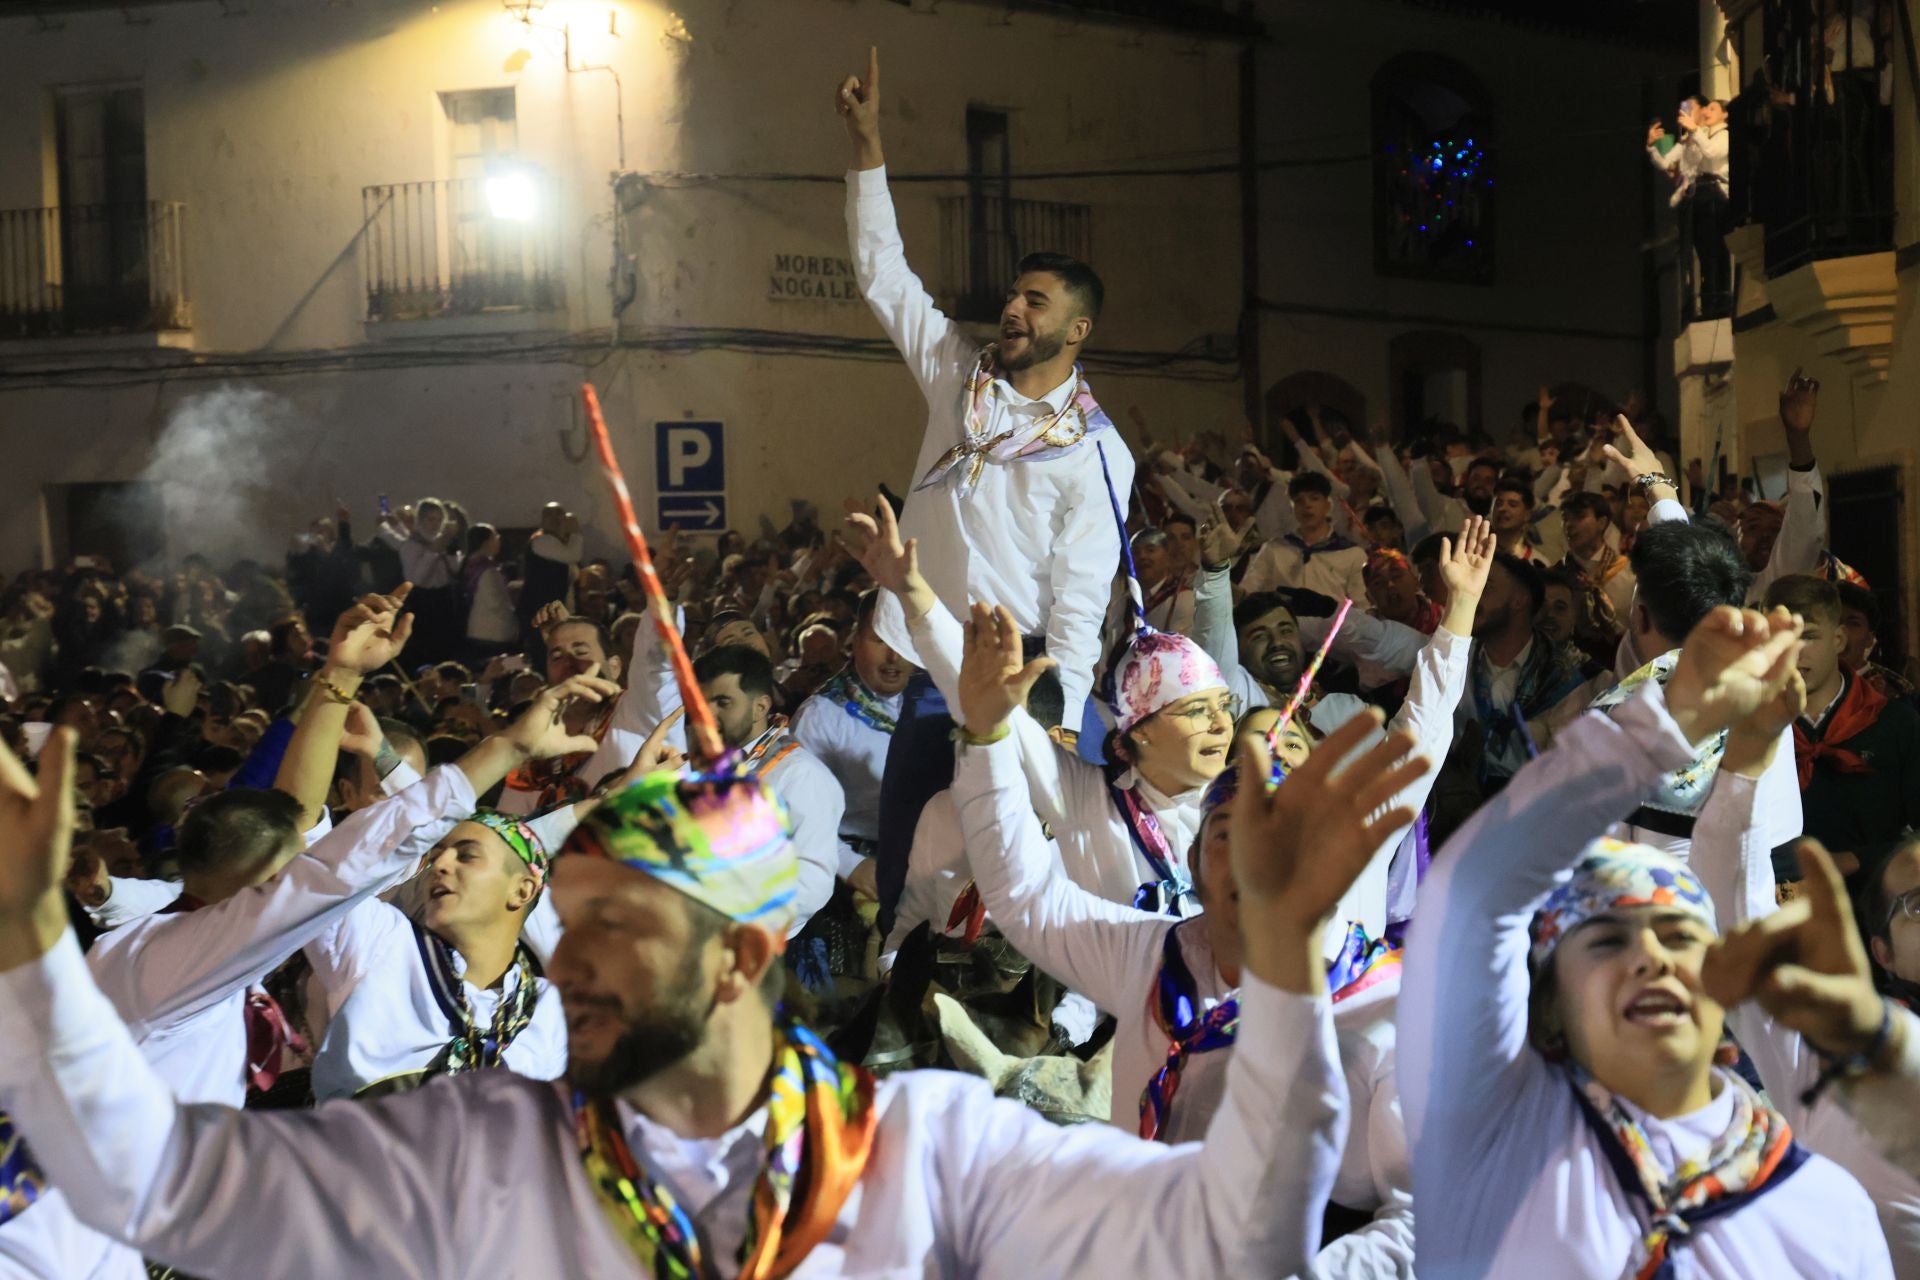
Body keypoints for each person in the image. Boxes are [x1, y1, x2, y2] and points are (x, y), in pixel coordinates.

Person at [0, 729, 1365, 1278]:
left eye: (613, 926)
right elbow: (156, 1182)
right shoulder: (478, 1151)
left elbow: (1235, 1247)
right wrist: (28, 951)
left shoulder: (932, 1149)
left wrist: (1290, 974)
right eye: (567, 922)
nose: (561, 961)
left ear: (741, 959)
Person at [0, 591, 481, 1280]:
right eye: (291, 871)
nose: (303, 872)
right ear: (265, 883)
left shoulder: (185, 928)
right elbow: (320, 863)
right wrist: (504, 749)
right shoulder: (175, 955)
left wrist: (340, 675)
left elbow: (293, 812)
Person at [1402, 603, 1893, 1278]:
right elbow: (1469, 898)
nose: (1652, 958)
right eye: (1606, 941)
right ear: (1547, 1003)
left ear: (1721, 976)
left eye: (1678, 935)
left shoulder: (1824, 1206)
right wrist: (1666, 724)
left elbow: (1728, 878)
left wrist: (1749, 756)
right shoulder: (1493, 1145)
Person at [951, 602, 1430, 1272]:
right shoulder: (1157, 955)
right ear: (1197, 862)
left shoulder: (1386, 1010)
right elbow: (1025, 895)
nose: (1250, 864)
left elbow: (1427, 1218)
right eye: (1228, 838)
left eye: (1277, 840)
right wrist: (985, 736)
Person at [839, 47, 1128, 742]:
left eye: (1036, 302)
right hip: (932, 648)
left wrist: (1061, 705)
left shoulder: (1094, 448)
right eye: (1012, 296)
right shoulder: (954, 371)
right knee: (914, 844)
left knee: (1004, 850)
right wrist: (868, 145)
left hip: (1019, 670)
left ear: (1077, 329)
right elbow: (884, 275)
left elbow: (1082, 592)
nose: (1013, 310)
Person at [848, 497, 1231, 916]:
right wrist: (913, 595)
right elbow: (983, 700)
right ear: (1140, 730)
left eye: (1224, 706)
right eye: (1195, 711)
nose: (1220, 724)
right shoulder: (1088, 802)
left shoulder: (1244, 808)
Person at [1686, 671, 1920, 1275]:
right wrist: (1748, 763)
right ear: (1881, 951)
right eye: (1918, 902)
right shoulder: (1828, 1052)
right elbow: (1735, 903)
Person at [619, 634, 846, 935]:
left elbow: (810, 884)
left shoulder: (800, 776)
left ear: (760, 707)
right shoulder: (687, 761)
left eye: (723, 702)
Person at [1762, 574, 1920, 892]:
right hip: (1773, 914)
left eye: (1808, 637)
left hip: (1870, 911)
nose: (1793, 653)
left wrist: (1851, 860)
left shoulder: (1894, 724)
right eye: (1778, 639)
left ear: (1838, 640)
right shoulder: (1746, 729)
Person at [789, 590, 914, 896]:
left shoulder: (940, 703)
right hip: (855, 876)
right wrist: (850, 865)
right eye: (880, 639)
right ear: (856, 641)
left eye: (903, 639)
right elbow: (792, 812)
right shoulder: (820, 716)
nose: (893, 655)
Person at [1648, 96, 1732, 319]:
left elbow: (1712, 154)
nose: (1705, 113)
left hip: (1714, 197)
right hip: (1697, 196)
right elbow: (1668, 163)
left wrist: (1695, 130)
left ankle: (1715, 303)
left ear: (1724, 115)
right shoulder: (1695, 136)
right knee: (1693, 252)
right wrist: (1652, 147)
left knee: (1712, 253)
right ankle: (1698, 302)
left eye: (1712, 109)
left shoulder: (1723, 136)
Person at [1240, 471, 1371, 606]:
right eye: (1299, 500)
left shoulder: (1351, 554)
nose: (1307, 505)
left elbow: (1362, 606)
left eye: (1314, 498)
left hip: (1333, 626)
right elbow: (1246, 593)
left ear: (1327, 505)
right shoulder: (1273, 549)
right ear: (1292, 508)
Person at [1558, 490, 1636, 626]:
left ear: (1602, 523)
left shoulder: (1629, 574)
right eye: (1565, 518)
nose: (1569, 525)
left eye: (1579, 517)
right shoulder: (1558, 574)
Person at [1837, 580, 1917, 700]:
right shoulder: (1804, 683)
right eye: (1833, 621)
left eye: (1853, 623)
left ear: (1870, 638)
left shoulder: (1897, 692)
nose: (1841, 631)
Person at [1130, 528, 1195, 636]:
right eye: (1136, 552)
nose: (1142, 556)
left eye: (1150, 550)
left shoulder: (1183, 598)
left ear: (1167, 556)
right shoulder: (1123, 602)